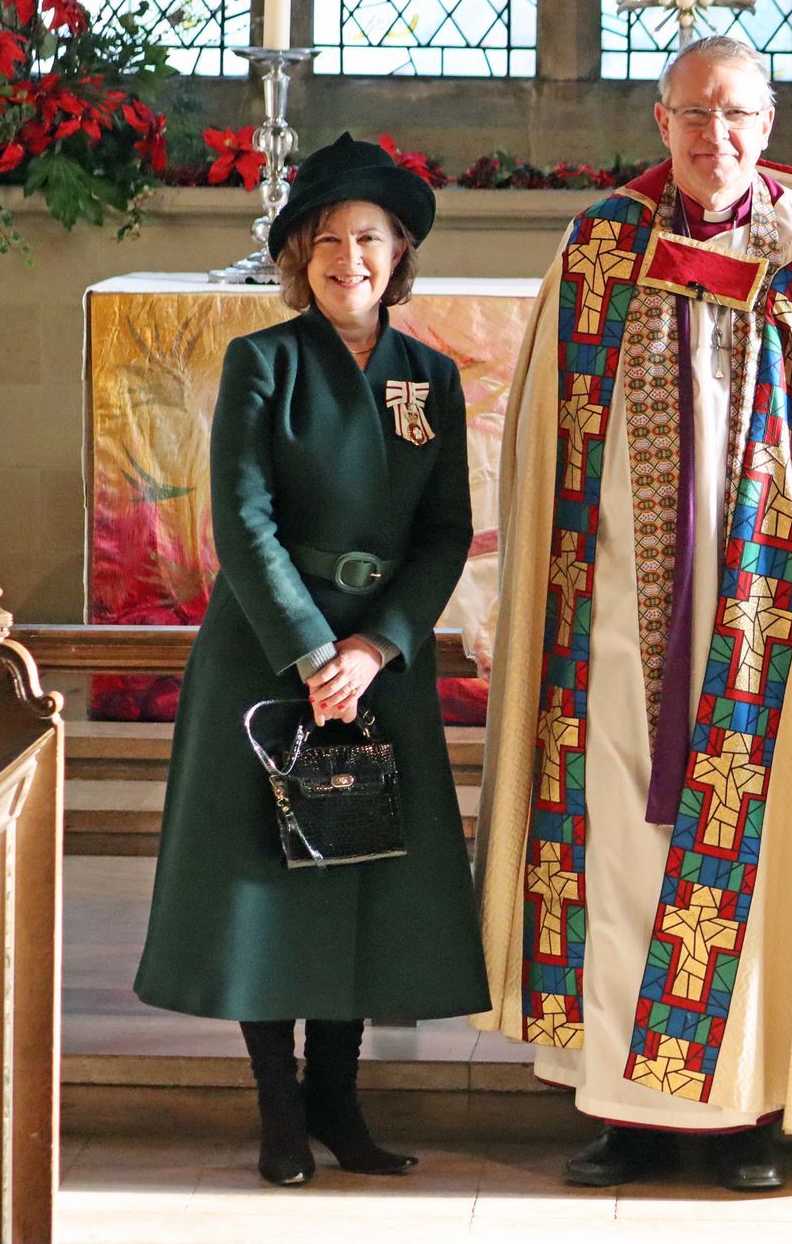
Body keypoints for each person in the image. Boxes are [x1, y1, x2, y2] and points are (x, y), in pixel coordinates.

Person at [468, 35, 792, 1190]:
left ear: (767, 125)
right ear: (659, 123)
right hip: (610, 607)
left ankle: (747, 1114)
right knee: (615, 836)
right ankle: (625, 1111)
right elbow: (541, 432)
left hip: (769, 619)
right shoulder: (602, 243)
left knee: (753, 851)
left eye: (737, 115)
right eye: (693, 114)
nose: (715, 137)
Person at [133, 133, 489, 1187]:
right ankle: (279, 1109)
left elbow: (443, 531)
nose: (350, 257)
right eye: (328, 239)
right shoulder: (265, 361)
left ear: (400, 252)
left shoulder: (430, 376)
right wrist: (312, 648)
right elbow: (240, 522)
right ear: (299, 257)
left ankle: (341, 1099)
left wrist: (378, 645)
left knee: (360, 877)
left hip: (382, 660)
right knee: (266, 880)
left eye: (369, 238)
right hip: (267, 651)